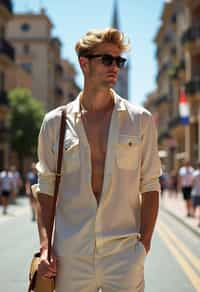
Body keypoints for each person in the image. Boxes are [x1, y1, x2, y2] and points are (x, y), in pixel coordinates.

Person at [34, 28, 161, 292]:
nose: (115, 67)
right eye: (107, 59)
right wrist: (45, 247)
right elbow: (45, 191)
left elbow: (150, 185)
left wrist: (143, 246)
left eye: (119, 61)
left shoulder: (141, 120)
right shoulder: (55, 123)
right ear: (84, 62)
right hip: (70, 257)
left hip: (124, 255)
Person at [191, 162, 200, 227]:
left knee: (194, 206)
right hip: (196, 192)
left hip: (196, 192)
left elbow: (192, 182)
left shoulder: (195, 173)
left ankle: (193, 216)